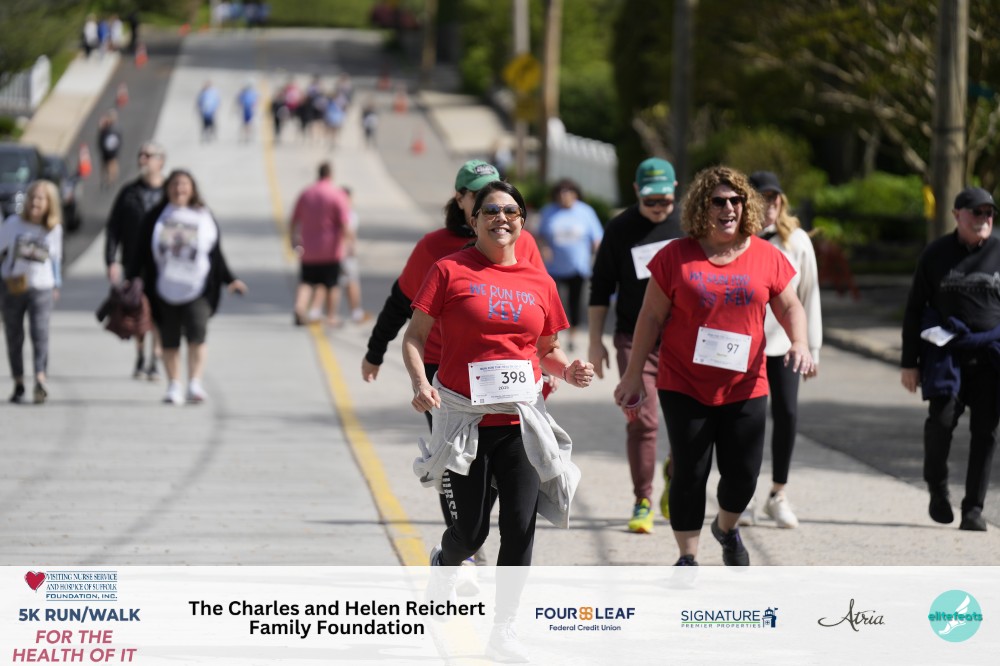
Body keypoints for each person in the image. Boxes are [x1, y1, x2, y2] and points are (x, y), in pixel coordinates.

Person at [403, 180, 594, 660]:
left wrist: (568, 370)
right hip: (465, 422)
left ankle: (503, 630)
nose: (501, 218)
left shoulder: (540, 282)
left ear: (522, 222)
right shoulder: (450, 270)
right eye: (490, 210)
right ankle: (443, 566)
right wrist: (420, 383)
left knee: (520, 526)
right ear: (474, 220)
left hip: (520, 425)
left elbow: (547, 350)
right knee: (470, 533)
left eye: (511, 211)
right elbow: (414, 337)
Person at [613, 165, 815, 566]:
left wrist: (800, 343)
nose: (728, 208)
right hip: (683, 382)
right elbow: (650, 317)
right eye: (718, 201)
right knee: (690, 471)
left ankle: (725, 527)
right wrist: (633, 375)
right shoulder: (675, 256)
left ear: (746, 205)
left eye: (735, 200)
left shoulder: (767, 256)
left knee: (743, 475)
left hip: (746, 383)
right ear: (701, 207)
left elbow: (791, 306)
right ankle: (687, 557)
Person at [362, 160, 546, 574]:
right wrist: (376, 352)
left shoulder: (523, 242)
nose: (498, 211)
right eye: (481, 198)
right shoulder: (436, 250)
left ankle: (496, 592)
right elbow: (400, 304)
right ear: (462, 200)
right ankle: (463, 550)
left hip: (511, 384)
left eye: (505, 203)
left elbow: (537, 310)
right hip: (446, 375)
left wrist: (548, 371)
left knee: (513, 504)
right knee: (465, 484)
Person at [588, 157, 683, 534]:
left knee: (686, 421)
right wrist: (595, 343)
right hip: (634, 336)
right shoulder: (620, 228)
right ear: (635, 193)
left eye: (665, 200)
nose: (658, 208)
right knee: (642, 419)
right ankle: (642, 499)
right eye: (650, 201)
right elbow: (600, 287)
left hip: (684, 338)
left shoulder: (689, 224)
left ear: (675, 190)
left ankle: (676, 476)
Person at [901, 186, 1000, 533]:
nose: (984, 218)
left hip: (991, 356)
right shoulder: (935, 254)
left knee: (986, 432)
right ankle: (937, 488)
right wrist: (909, 362)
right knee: (940, 424)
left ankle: (973, 508)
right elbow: (915, 309)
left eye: (989, 212)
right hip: (947, 355)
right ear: (957, 215)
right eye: (976, 212)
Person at [737, 171, 823, 529]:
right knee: (746, 421)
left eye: (775, 197)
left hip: (786, 345)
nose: (770, 204)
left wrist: (812, 348)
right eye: (763, 197)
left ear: (781, 201)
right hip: (745, 346)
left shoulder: (797, 241)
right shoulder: (737, 239)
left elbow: (809, 296)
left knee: (786, 414)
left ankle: (778, 493)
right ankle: (742, 495)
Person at [126, 169, 247, 405]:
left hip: (197, 289)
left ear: (192, 189)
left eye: (184, 184)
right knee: (169, 340)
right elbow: (140, 251)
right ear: (167, 188)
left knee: (197, 335)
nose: (179, 189)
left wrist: (230, 279)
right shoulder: (155, 216)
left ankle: (195, 383)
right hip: (163, 289)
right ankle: (174, 385)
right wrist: (131, 279)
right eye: (174, 184)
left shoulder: (203, 215)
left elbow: (216, 254)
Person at [105, 141, 167, 380]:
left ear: (160, 161)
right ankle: (141, 356)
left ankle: (156, 359)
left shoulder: (169, 193)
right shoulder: (129, 192)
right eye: (141, 154)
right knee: (138, 310)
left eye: (148, 155)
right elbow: (113, 228)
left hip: (162, 265)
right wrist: (111, 260)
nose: (142, 159)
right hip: (133, 263)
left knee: (159, 314)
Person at [0, 180, 63, 404]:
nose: (35, 202)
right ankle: (18, 382)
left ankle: (40, 380)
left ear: (49, 203)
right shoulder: (13, 223)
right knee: (14, 336)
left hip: (41, 286)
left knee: (40, 334)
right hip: (14, 286)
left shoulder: (53, 228)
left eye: (40, 198)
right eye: (32, 197)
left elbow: (56, 259)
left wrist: (56, 284)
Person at [537, 178, 604, 352]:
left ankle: (572, 336)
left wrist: (601, 259)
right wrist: (544, 247)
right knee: (553, 305)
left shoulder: (585, 211)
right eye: (560, 193)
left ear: (575, 194)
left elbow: (597, 237)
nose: (564, 196)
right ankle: (552, 337)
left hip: (578, 267)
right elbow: (539, 235)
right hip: (553, 268)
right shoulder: (548, 211)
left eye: (568, 192)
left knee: (575, 303)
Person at [289, 161, 350, 326]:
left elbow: (294, 220)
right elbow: (344, 224)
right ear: (331, 174)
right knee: (332, 284)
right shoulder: (337, 194)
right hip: (331, 249)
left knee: (306, 282)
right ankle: (331, 316)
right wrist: (347, 245)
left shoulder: (306, 193)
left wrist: (292, 240)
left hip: (308, 249)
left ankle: (300, 307)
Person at [336, 187, 370, 324]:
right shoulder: (347, 214)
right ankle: (355, 313)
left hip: (336, 253)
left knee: (338, 283)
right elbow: (348, 232)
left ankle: (332, 313)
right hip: (345, 253)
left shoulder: (339, 211)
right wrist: (351, 248)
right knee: (351, 282)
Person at [97, 110, 123, 190]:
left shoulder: (115, 128)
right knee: (104, 165)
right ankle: (105, 179)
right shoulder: (105, 127)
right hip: (105, 150)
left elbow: (118, 140)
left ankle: (111, 179)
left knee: (112, 165)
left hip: (112, 151)